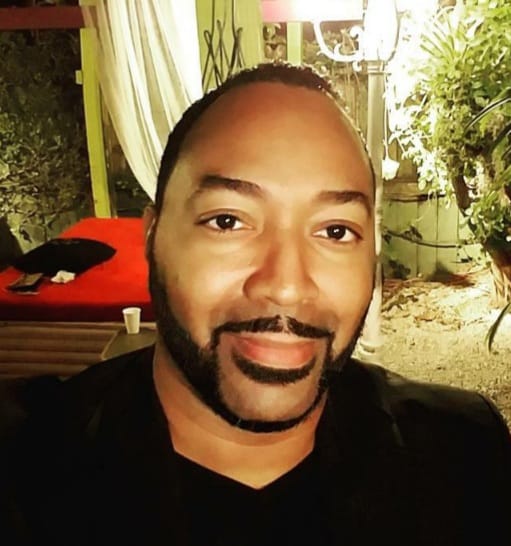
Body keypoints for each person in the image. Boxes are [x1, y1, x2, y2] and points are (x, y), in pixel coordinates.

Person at [1, 63, 510, 546]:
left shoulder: (466, 456)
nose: (286, 287)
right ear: (153, 238)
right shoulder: (24, 465)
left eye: (336, 231)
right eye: (227, 221)